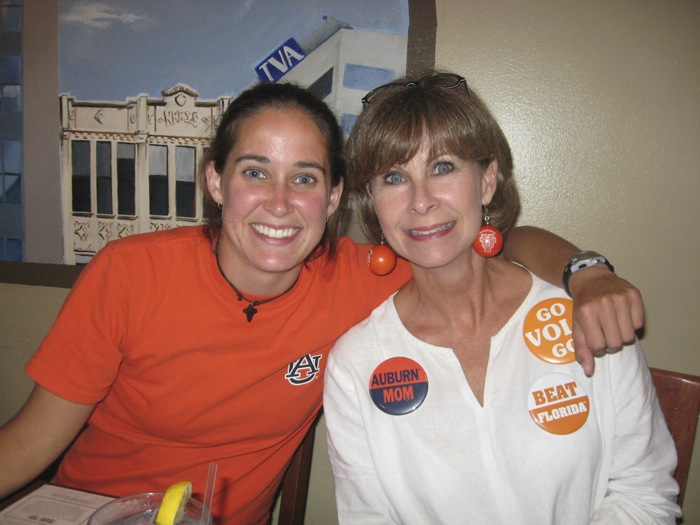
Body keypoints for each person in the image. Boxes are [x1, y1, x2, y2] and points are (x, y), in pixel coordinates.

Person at [0, 81, 643, 524]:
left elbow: (493, 243)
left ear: (334, 199)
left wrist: (584, 271)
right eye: (255, 171)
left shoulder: (363, 277)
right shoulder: (131, 274)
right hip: (89, 512)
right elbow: (28, 446)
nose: (279, 203)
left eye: (304, 178)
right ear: (216, 181)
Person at [324, 72, 680, 524]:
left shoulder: (584, 316)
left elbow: (643, 495)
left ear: (487, 180)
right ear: (372, 200)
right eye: (394, 177)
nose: (421, 201)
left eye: (443, 167)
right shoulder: (354, 365)